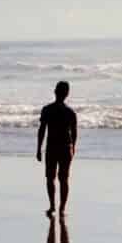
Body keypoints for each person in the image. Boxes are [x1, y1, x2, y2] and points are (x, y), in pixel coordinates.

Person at [36, 79, 77, 216]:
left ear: (55, 92)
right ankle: (62, 208)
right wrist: (73, 148)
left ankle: (53, 206)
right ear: (67, 94)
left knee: (50, 178)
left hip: (52, 147)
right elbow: (74, 133)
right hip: (66, 147)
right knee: (63, 179)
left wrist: (38, 148)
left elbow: (42, 130)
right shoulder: (70, 112)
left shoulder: (47, 110)